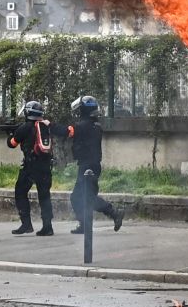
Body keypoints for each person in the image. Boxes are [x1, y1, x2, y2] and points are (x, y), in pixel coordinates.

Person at [56, 95, 124, 233]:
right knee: (79, 197)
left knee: (86, 198)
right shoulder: (95, 124)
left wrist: (48, 126)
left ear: (83, 110)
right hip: (91, 165)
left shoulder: (84, 125)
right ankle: (85, 226)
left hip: (88, 166)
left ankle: (114, 213)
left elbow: (66, 131)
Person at [6, 101, 55, 236]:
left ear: (28, 113)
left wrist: (11, 134)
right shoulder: (46, 125)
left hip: (30, 167)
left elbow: (12, 144)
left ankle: (26, 224)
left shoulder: (25, 127)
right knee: (44, 196)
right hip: (46, 166)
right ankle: (48, 226)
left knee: (20, 192)